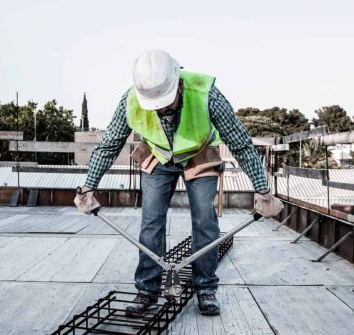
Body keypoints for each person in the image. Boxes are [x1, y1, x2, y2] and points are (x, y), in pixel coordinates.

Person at [75, 50, 283, 317]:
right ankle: (147, 290)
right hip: (158, 154)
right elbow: (109, 145)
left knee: (205, 221)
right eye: (156, 105)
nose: (161, 109)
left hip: (198, 153)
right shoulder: (131, 100)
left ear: (179, 84)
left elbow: (240, 143)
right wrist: (89, 186)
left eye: (166, 103)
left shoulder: (207, 94)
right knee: (151, 221)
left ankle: (205, 288)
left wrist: (262, 190)